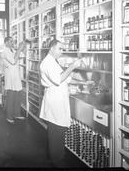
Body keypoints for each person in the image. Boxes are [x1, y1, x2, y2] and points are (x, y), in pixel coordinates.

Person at [39, 39, 95, 168]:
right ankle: (58, 163)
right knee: (56, 136)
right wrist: (73, 66)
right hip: (54, 103)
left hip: (59, 102)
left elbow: (67, 78)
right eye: (60, 49)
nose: (62, 51)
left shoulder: (54, 62)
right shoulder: (46, 63)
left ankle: (56, 160)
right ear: (52, 49)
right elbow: (59, 78)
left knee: (57, 135)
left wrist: (83, 82)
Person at [1, 36, 27, 124]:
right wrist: (19, 49)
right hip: (10, 77)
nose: (13, 43)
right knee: (11, 97)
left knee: (17, 97)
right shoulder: (5, 51)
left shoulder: (13, 50)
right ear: (6, 43)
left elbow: (23, 55)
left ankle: (16, 114)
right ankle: (9, 116)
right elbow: (13, 61)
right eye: (11, 41)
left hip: (16, 76)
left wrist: (24, 45)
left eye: (13, 41)